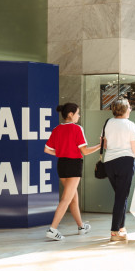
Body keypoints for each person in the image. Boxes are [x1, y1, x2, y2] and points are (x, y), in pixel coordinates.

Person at [43, 103, 101, 241]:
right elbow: (85, 151)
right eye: (77, 113)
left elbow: (47, 149)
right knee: (66, 199)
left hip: (62, 165)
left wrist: (62, 152)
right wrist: (101, 146)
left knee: (73, 198)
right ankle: (53, 229)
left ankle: (81, 227)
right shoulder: (77, 129)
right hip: (73, 165)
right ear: (70, 114)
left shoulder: (57, 129)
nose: (78, 116)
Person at [103, 98, 135, 242]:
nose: (130, 109)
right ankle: (114, 231)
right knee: (121, 197)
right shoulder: (130, 125)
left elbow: (105, 144)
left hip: (109, 162)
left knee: (121, 195)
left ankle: (121, 227)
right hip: (125, 162)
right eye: (129, 107)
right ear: (124, 109)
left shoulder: (108, 123)